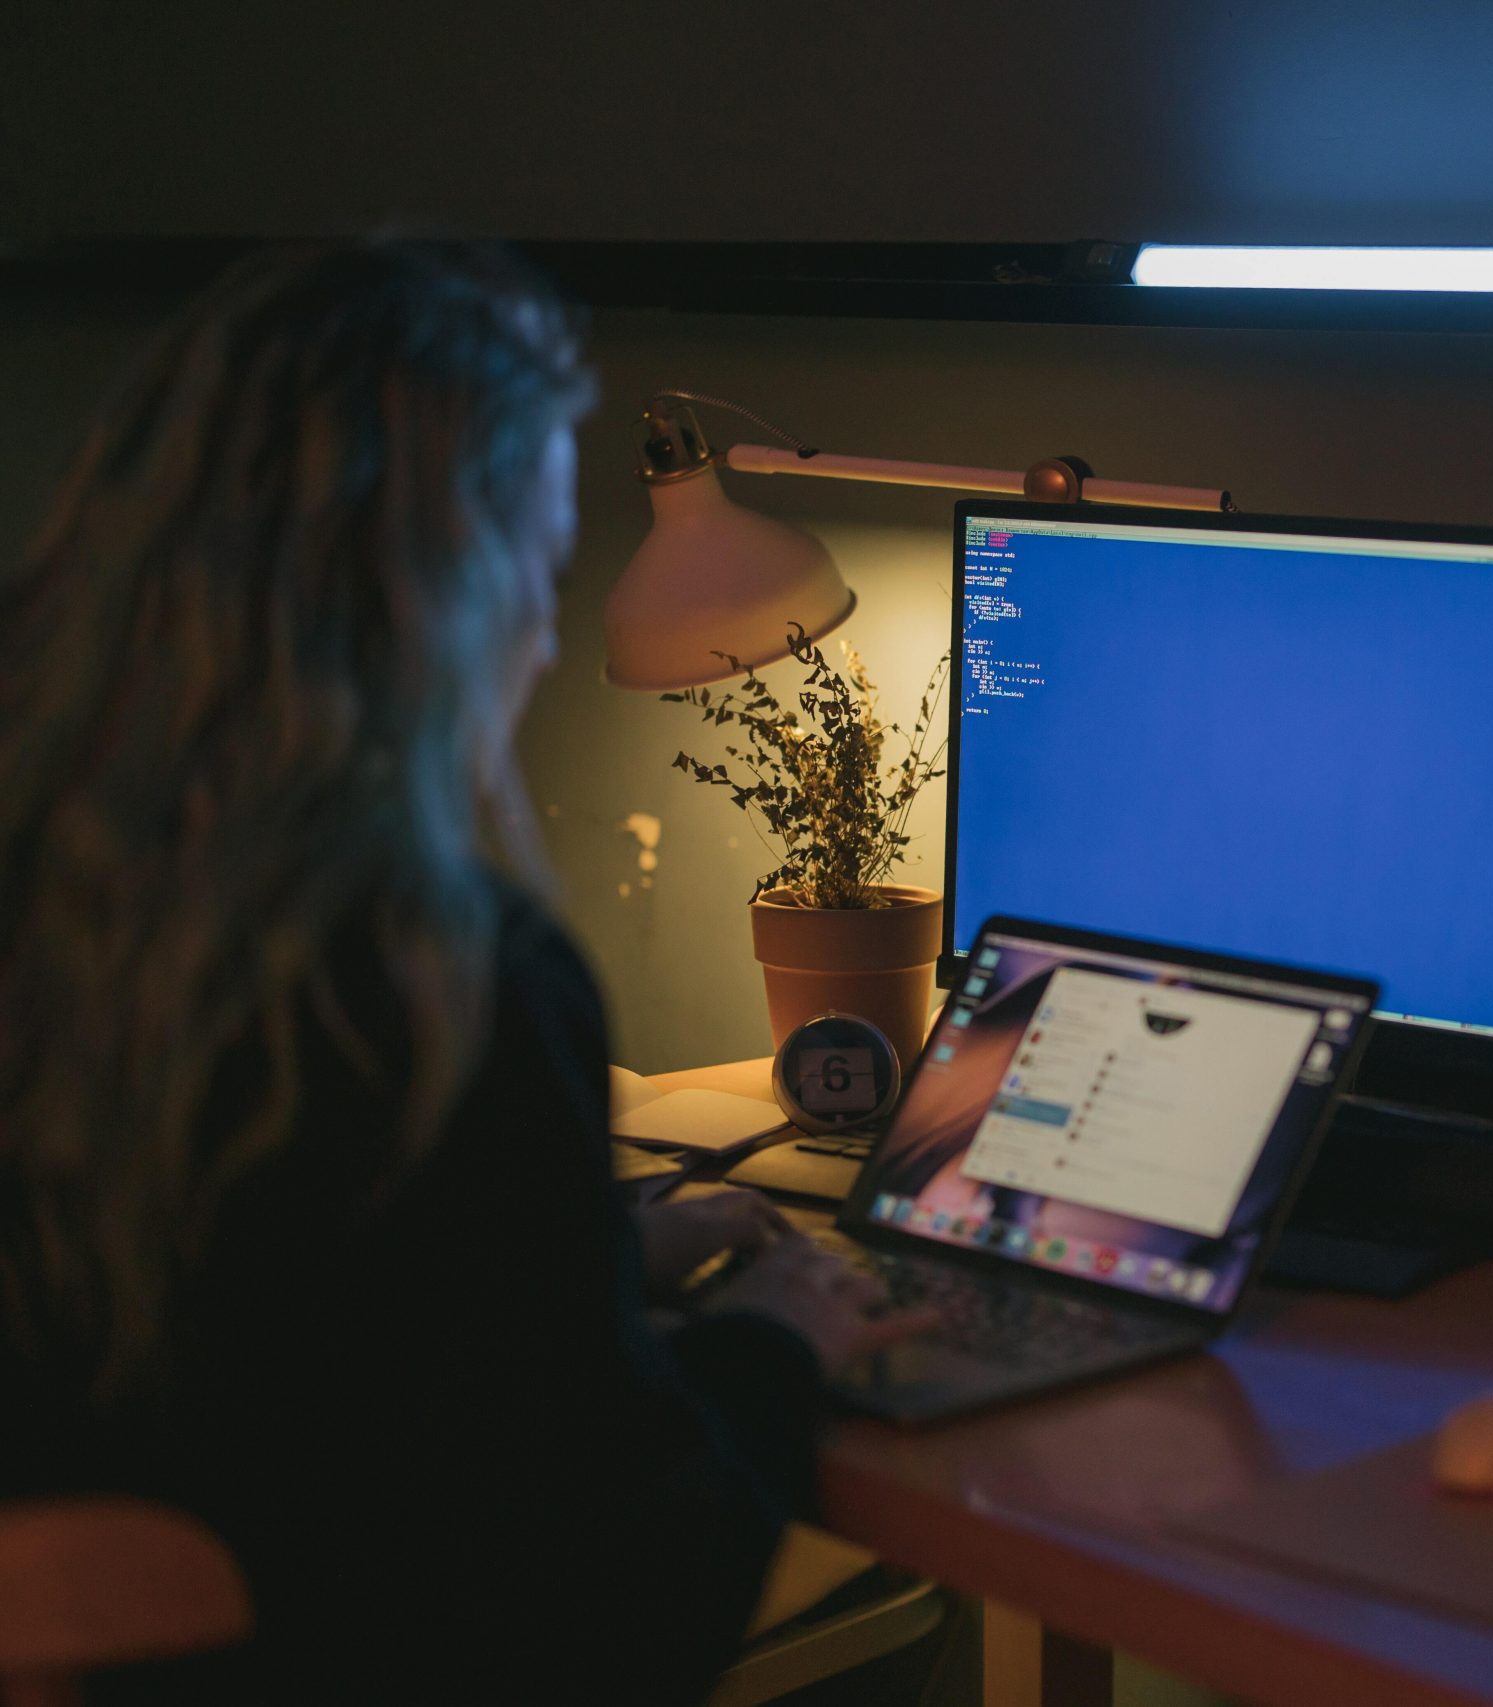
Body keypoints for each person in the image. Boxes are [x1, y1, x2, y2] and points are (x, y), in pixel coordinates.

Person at [0, 238, 926, 1703]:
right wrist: (773, 1337)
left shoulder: (60, 888)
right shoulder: (440, 978)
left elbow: (260, 1329)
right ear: (449, 589)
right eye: (544, 570)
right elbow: (614, 1598)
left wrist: (589, 1259)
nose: (551, 630)